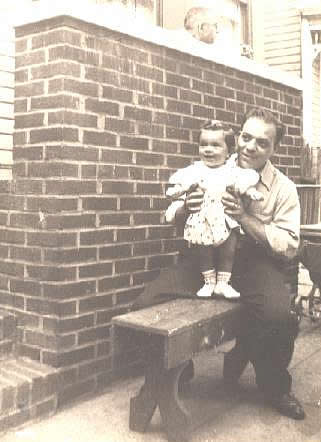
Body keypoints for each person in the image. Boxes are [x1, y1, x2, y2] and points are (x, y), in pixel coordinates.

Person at [181, 108, 305, 420]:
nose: (250, 147)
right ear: (237, 137)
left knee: (279, 314)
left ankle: (275, 387)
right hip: (207, 258)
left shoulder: (284, 189)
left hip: (253, 262)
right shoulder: (214, 166)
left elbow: (289, 245)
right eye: (246, 137)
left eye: (262, 143)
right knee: (151, 298)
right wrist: (186, 207)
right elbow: (175, 216)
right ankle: (177, 375)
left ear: (274, 148)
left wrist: (244, 219)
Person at [165, 120, 263, 299]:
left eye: (216, 145)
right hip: (203, 219)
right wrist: (176, 191)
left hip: (224, 218)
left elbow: (241, 184)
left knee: (229, 249)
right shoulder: (194, 170)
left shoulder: (232, 171)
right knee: (204, 250)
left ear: (229, 151)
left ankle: (223, 283)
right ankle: (208, 282)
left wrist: (251, 192)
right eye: (203, 145)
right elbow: (181, 185)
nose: (208, 149)